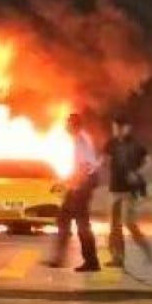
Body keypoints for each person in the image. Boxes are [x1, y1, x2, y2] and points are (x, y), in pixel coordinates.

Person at [45, 113, 102, 272]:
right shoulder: (79, 139)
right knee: (64, 218)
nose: (66, 127)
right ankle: (60, 258)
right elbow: (79, 166)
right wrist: (68, 181)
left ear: (74, 125)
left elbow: (84, 167)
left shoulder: (82, 140)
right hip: (81, 182)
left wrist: (75, 186)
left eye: (68, 124)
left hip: (84, 183)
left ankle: (91, 261)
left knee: (82, 223)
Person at [104, 116, 152, 267]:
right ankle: (118, 258)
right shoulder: (110, 144)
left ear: (127, 128)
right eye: (114, 127)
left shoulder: (136, 145)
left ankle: (146, 249)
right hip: (114, 190)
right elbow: (105, 160)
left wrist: (138, 173)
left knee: (128, 222)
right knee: (114, 226)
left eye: (120, 127)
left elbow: (149, 163)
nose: (117, 131)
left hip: (129, 191)